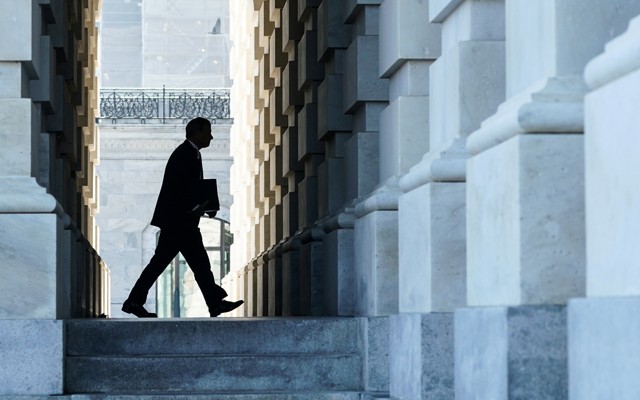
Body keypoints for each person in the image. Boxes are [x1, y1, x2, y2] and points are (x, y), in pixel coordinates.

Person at [122, 117, 243, 318]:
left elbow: (189, 188)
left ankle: (134, 302)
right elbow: (179, 189)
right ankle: (214, 303)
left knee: (183, 263)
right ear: (196, 133)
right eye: (208, 132)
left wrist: (205, 206)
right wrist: (197, 207)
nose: (211, 137)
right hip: (180, 223)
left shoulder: (190, 153)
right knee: (193, 263)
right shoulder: (185, 154)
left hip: (180, 222)